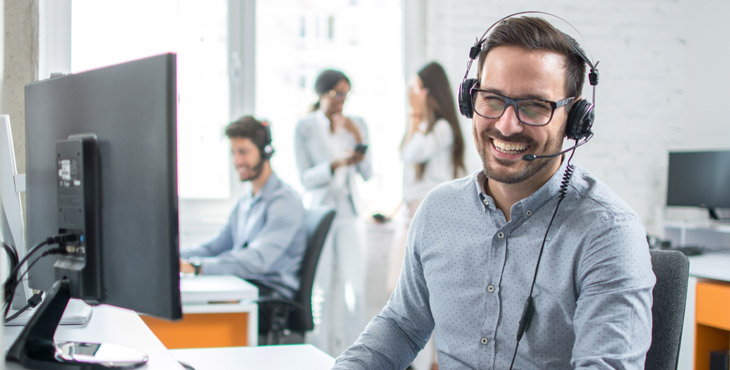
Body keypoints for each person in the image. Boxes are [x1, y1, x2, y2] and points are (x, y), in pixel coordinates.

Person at [334, 15, 655, 369]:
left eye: (535, 106)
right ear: (471, 101)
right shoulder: (439, 210)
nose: (506, 124)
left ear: (575, 119)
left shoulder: (608, 232)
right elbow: (401, 327)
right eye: (492, 99)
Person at [180, 116, 307, 332]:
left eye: (244, 152)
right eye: (234, 152)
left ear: (265, 151)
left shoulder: (284, 202)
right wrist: (176, 257)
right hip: (245, 288)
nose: (237, 161)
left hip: (269, 300)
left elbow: (258, 260)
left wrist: (197, 267)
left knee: (193, 315)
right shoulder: (246, 199)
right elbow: (216, 246)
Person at [386, 61, 466, 370]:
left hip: (429, 217)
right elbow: (404, 154)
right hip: (408, 216)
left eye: (417, 88)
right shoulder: (424, 127)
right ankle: (412, 362)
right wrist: (415, 116)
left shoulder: (443, 129)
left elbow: (412, 153)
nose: (413, 95)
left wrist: (417, 114)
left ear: (430, 92)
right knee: (399, 293)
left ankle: (430, 363)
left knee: (423, 295)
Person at [294, 69, 372, 356]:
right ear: (321, 94)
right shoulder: (305, 127)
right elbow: (305, 178)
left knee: (355, 292)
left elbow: (367, 172)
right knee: (321, 292)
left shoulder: (357, 124)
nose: (341, 100)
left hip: (350, 214)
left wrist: (356, 136)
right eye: (336, 94)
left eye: (345, 94)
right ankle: (318, 356)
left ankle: (360, 358)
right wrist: (335, 164)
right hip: (321, 214)